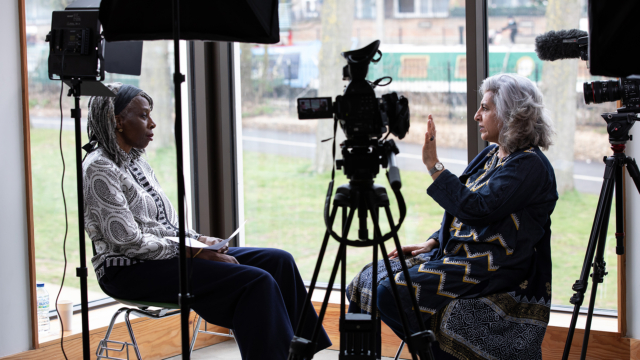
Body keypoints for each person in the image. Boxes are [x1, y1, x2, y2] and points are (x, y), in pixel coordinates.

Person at [83, 83, 331, 360]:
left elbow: (165, 223)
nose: (153, 123)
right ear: (117, 121)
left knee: (278, 261)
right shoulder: (99, 168)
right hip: (129, 270)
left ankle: (300, 353)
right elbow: (129, 242)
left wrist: (198, 238)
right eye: (143, 116)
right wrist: (196, 252)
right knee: (255, 281)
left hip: (166, 258)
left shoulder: (135, 160)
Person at [347, 73, 557, 359]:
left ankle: (433, 353)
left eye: (485, 108)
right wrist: (434, 241)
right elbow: (461, 207)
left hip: (493, 266)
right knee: (370, 276)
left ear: (511, 114)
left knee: (392, 292)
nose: (476, 115)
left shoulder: (530, 165)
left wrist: (434, 166)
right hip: (460, 254)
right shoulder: (492, 155)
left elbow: (477, 208)